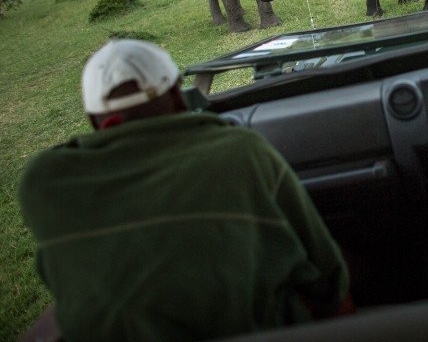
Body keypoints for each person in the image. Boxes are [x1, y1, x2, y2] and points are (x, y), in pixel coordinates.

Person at [18, 39, 352, 341]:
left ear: (93, 120)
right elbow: (325, 273)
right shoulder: (240, 150)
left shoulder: (42, 182)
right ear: (179, 96)